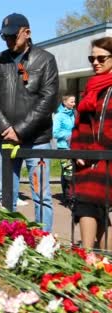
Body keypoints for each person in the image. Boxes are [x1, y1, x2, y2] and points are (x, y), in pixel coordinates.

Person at [0, 13, 59, 232]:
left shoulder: (45, 60)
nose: (8, 41)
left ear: (27, 33)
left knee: (42, 196)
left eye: (12, 36)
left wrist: (20, 130)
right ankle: (7, 241)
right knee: (5, 195)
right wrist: (6, 129)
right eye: (4, 37)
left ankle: (44, 243)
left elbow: (48, 100)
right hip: (6, 140)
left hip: (37, 141)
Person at [71, 37, 112, 250]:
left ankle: (88, 258)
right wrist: (77, 150)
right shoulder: (91, 87)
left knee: (88, 204)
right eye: (92, 58)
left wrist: (94, 153)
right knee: (96, 210)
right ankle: (102, 263)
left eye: (101, 58)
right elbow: (79, 126)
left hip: (105, 159)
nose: (95, 62)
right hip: (87, 159)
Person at [52, 95, 76, 205]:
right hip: (64, 148)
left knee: (70, 172)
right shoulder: (59, 115)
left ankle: (70, 196)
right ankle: (68, 199)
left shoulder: (74, 113)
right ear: (65, 102)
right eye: (71, 102)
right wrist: (69, 135)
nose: (74, 104)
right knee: (68, 173)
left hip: (74, 148)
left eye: (74, 102)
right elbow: (55, 133)